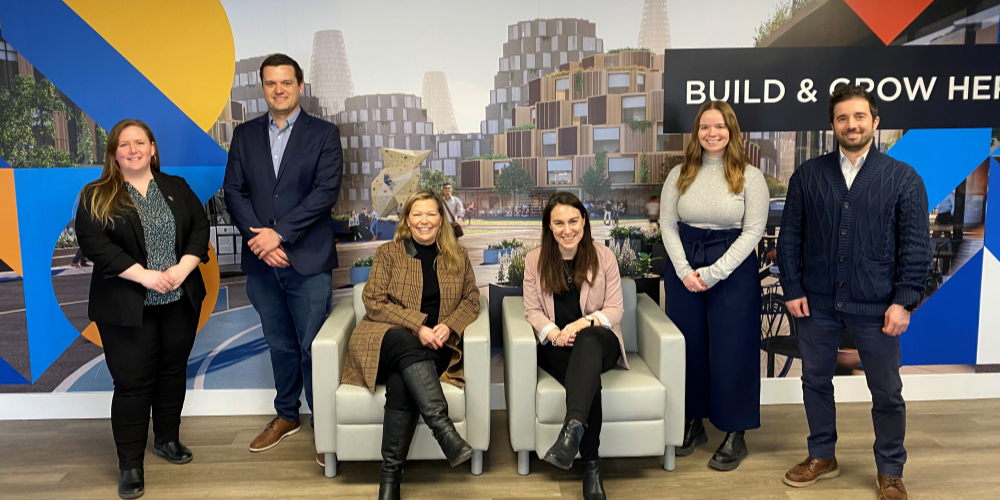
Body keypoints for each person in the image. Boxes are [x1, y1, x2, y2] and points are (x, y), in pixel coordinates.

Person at [777, 85, 930, 500]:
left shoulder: (903, 178)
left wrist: (904, 300)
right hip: (816, 304)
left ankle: (890, 469)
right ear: (832, 125)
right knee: (815, 381)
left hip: (878, 307)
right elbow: (789, 237)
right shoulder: (808, 175)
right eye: (843, 118)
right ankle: (822, 455)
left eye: (860, 117)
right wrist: (791, 286)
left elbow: (916, 246)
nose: (852, 125)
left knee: (886, 390)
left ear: (875, 122)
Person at [76, 119, 210, 499]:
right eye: (124, 144)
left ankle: (167, 440)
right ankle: (130, 465)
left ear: (153, 148)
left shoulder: (176, 188)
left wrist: (183, 269)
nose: (132, 150)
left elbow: (200, 228)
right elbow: (97, 246)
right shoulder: (96, 195)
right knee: (133, 386)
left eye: (140, 142)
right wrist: (146, 277)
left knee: (171, 374)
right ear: (113, 152)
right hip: (126, 308)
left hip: (178, 302)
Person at [222, 53, 343, 466]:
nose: (279, 90)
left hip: (307, 260)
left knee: (314, 347)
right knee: (280, 344)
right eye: (271, 83)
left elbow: (324, 194)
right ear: (263, 87)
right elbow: (233, 192)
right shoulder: (244, 135)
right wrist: (262, 240)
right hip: (261, 262)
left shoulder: (324, 134)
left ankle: (325, 425)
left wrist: (281, 235)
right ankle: (287, 415)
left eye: (286, 83)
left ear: (300, 85)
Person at [341, 189, 480, 500]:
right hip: (385, 339)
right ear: (406, 219)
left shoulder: (457, 255)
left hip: (437, 347)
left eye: (431, 213)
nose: (424, 221)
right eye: (417, 214)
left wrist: (448, 326)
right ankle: (444, 430)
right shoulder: (389, 254)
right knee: (405, 341)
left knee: (403, 379)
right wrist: (417, 325)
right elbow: (373, 301)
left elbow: (472, 299)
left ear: (441, 219)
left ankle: (390, 479)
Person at [659, 100, 769, 471]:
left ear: (731, 131)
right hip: (684, 266)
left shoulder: (750, 176)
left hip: (731, 267)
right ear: (697, 132)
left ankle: (735, 433)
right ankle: (693, 421)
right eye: (705, 127)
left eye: (719, 126)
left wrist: (713, 272)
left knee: (732, 351)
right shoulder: (679, 174)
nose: (712, 133)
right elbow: (667, 223)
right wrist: (684, 269)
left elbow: (753, 231)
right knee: (688, 348)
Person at [523, 192, 628, 500]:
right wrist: (555, 333)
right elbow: (532, 311)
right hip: (556, 345)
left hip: (598, 341)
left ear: (584, 221)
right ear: (549, 226)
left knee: (589, 341)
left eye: (573, 221)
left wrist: (582, 324)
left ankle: (571, 437)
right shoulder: (535, 260)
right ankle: (591, 465)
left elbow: (615, 310)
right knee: (586, 380)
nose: (567, 229)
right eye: (558, 223)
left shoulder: (603, 256)